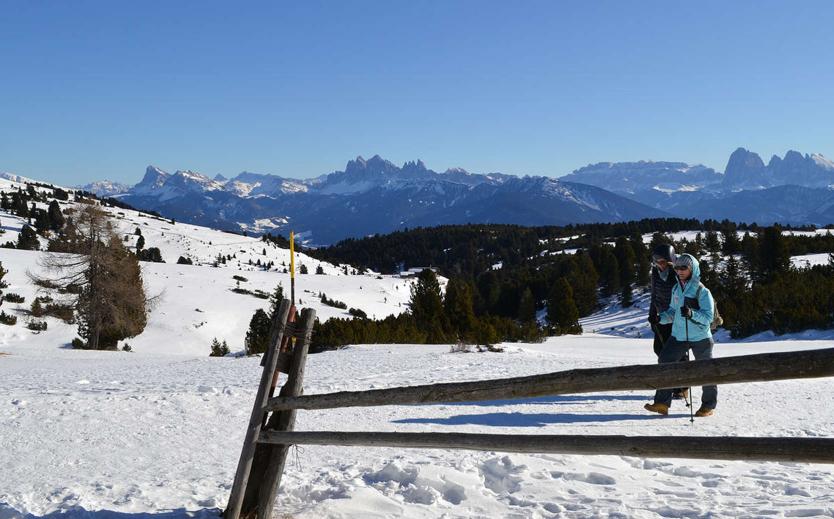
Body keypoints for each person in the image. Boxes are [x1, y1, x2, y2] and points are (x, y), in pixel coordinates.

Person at [644, 253, 717, 417]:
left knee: (707, 371)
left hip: (701, 338)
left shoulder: (702, 291)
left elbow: (708, 318)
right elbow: (672, 312)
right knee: (664, 361)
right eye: (677, 267)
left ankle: (708, 406)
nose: (680, 271)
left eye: (684, 268)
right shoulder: (676, 288)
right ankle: (662, 403)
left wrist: (691, 314)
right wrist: (659, 318)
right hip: (679, 336)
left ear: (693, 269)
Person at [648, 244, 687, 400]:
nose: (659, 264)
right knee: (659, 349)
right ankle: (671, 383)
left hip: (677, 317)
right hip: (661, 317)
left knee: (678, 352)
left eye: (662, 261)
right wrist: (652, 312)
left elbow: (686, 292)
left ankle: (682, 387)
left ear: (670, 260)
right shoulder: (656, 273)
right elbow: (654, 294)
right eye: (656, 261)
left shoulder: (678, 272)